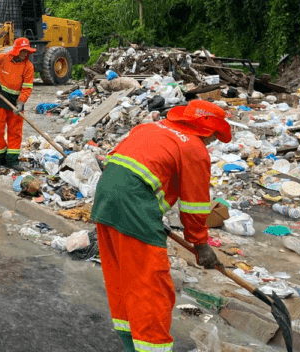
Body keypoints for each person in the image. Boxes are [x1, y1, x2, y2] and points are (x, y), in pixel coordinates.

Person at [91, 99, 230, 352]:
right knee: (151, 289)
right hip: (134, 205)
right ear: (208, 130)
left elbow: (139, 170)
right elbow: (195, 205)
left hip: (105, 200)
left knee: (122, 280)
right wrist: (200, 245)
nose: (212, 143)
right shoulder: (194, 149)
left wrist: (151, 215)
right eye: (215, 137)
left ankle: (131, 345)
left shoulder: (150, 128)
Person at [0, 37, 35, 170]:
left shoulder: (28, 66)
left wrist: (21, 103)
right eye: (22, 51)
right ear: (16, 51)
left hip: (15, 102)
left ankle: (12, 160)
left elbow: (27, 87)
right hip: (0, 98)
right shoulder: (2, 58)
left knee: (15, 131)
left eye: (26, 52)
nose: (24, 54)